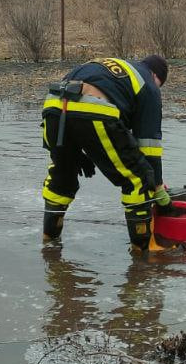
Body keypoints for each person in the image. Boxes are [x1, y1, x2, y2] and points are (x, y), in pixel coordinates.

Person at [41, 54, 173, 252]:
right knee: (138, 178)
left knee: (62, 175)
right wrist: (156, 186)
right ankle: (145, 250)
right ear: (156, 76)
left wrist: (81, 149)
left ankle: (49, 240)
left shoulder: (118, 69)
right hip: (92, 109)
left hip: (53, 106)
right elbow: (149, 147)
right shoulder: (149, 86)